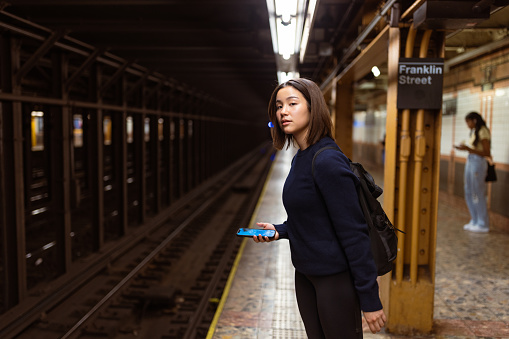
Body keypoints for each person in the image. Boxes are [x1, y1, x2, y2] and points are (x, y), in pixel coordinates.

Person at [252, 78, 386, 338]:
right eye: (279, 106)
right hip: (305, 274)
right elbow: (314, 215)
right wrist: (279, 230)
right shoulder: (302, 157)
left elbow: (353, 232)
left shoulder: (326, 160)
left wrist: (370, 299)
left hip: (334, 281)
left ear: (313, 108)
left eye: (292, 103)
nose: (283, 112)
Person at [454, 111, 491, 233]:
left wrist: (468, 149)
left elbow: (487, 152)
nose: (467, 125)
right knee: (469, 191)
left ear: (474, 120)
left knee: (477, 193)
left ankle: (482, 223)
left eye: (468, 122)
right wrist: (465, 149)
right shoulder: (474, 132)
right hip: (471, 160)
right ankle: (474, 219)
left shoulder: (483, 131)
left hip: (478, 163)